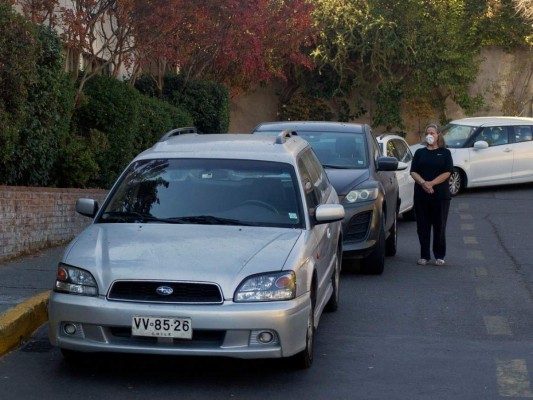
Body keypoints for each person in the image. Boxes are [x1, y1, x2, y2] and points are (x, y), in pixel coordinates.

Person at [410, 123, 454, 266]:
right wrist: (424, 183)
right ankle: (424, 255)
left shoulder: (445, 153)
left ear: (438, 135)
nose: (429, 135)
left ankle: (439, 255)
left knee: (439, 225)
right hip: (421, 196)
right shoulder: (419, 153)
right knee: (422, 227)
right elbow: (413, 171)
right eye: (427, 132)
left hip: (440, 196)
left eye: (432, 133)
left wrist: (432, 183)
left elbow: (447, 172)